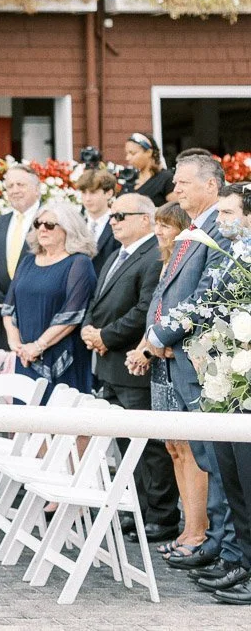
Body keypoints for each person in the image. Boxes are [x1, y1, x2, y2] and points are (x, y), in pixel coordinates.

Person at [132, 157, 239, 574]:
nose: (175, 189)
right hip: (175, 356)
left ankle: (219, 545)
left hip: (200, 359)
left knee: (211, 455)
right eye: (175, 181)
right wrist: (152, 336)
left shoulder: (219, 229)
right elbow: (169, 289)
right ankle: (213, 543)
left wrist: (160, 337)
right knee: (195, 450)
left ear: (212, 185)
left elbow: (207, 296)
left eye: (183, 182)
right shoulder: (195, 228)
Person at [78, 192, 181, 544]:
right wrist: (91, 330)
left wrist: (106, 335)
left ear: (145, 219)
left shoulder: (154, 256)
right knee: (124, 445)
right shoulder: (115, 256)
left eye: (121, 216)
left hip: (131, 363)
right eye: (112, 216)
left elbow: (144, 311)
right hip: (108, 362)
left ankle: (162, 517)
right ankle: (136, 509)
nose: (114, 222)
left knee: (149, 446)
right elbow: (98, 299)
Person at [2, 201, 98, 392]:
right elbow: (8, 308)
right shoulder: (28, 261)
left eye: (50, 225)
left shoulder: (79, 263)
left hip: (61, 356)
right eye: (38, 224)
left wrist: (38, 346)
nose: (42, 229)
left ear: (68, 229)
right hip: (25, 356)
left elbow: (72, 315)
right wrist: (16, 345)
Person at [123, 131, 174, 204]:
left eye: (133, 153)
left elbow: (175, 210)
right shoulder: (129, 180)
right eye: (127, 153)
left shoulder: (166, 178)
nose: (127, 158)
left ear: (149, 152)